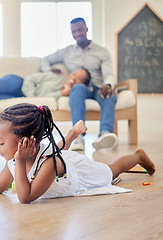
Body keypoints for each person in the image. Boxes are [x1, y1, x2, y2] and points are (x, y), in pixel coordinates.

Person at [0, 103, 155, 204]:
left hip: (78, 175)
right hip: (54, 156)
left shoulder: (47, 164)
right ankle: (72, 134)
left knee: (112, 170)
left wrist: (20, 163)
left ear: (26, 141)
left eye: (1, 142)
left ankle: (138, 156)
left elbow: (25, 197)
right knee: (57, 149)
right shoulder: (15, 159)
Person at [41, 17, 117, 151]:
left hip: (99, 87)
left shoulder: (101, 52)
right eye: (73, 31)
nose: (77, 34)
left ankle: (105, 134)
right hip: (81, 87)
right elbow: (45, 60)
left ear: (86, 29)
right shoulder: (66, 51)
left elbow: (109, 74)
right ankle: (79, 137)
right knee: (76, 89)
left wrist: (108, 85)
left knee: (110, 95)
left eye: (80, 30)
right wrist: (49, 70)